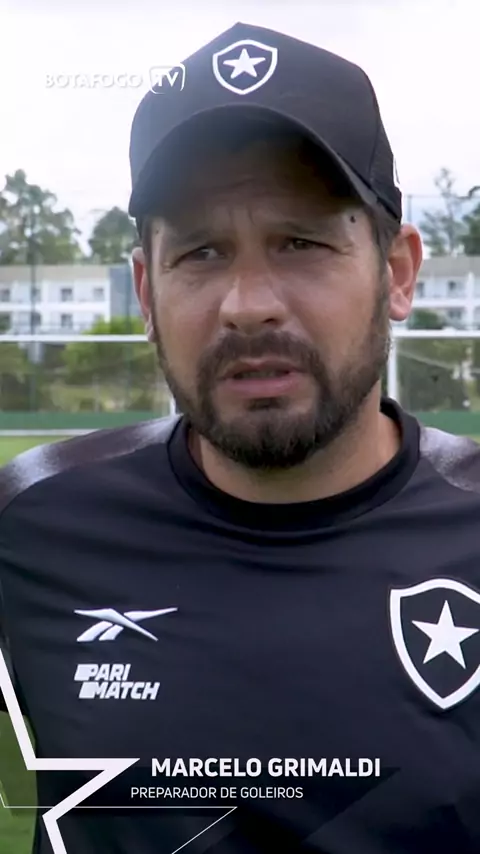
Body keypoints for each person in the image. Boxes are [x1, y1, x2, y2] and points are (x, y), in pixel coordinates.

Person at [1, 19, 480, 854]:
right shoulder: (28, 524)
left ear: (398, 272)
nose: (248, 304)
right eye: (201, 253)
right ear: (146, 292)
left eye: (301, 242)